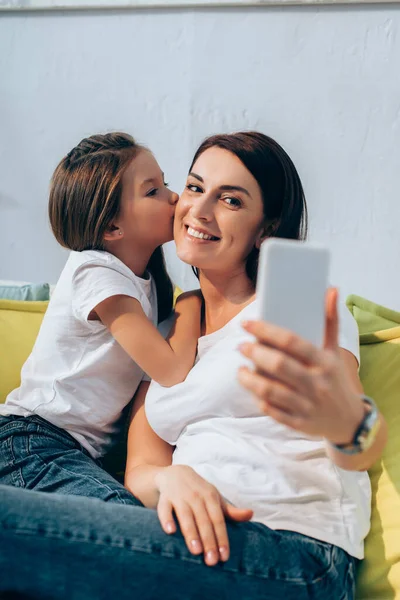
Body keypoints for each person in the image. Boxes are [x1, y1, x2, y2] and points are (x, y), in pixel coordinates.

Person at [0, 131, 387, 600]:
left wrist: (348, 424)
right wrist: (169, 478)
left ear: (266, 227)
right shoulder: (165, 328)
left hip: (288, 555)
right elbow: (140, 472)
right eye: (195, 187)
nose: (199, 210)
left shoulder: (291, 307)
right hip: (182, 547)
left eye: (230, 200)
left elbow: (358, 438)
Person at [0, 132, 201, 502]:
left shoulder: (148, 282)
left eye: (165, 183)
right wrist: (192, 302)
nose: (174, 197)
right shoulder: (94, 272)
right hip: (32, 442)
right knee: (123, 519)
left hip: (79, 454)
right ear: (112, 228)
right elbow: (170, 370)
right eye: (152, 191)